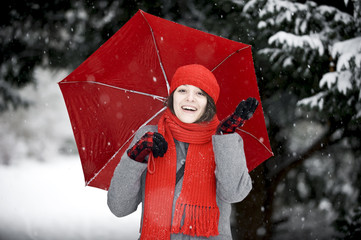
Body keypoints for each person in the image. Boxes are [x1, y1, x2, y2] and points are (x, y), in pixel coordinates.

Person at [107, 64, 259, 240]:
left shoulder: (225, 141)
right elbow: (119, 207)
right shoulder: (148, 137)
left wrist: (226, 135)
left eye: (200, 93)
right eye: (182, 91)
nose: (190, 99)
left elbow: (234, 193)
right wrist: (135, 158)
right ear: (172, 97)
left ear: (209, 102)